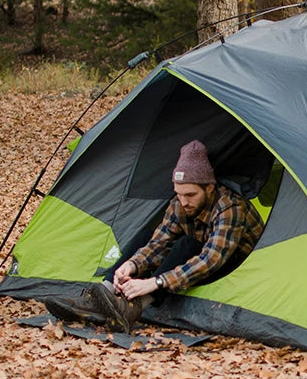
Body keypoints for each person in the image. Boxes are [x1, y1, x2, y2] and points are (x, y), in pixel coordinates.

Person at [45, 140, 264, 333]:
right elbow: (158, 242)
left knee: (187, 243)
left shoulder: (230, 207)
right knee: (147, 236)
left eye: (191, 195)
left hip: (238, 269)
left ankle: (136, 305)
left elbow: (211, 259)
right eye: (179, 194)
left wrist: (154, 282)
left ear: (209, 188)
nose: (184, 201)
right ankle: (102, 294)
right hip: (198, 264)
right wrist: (131, 265)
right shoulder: (179, 204)